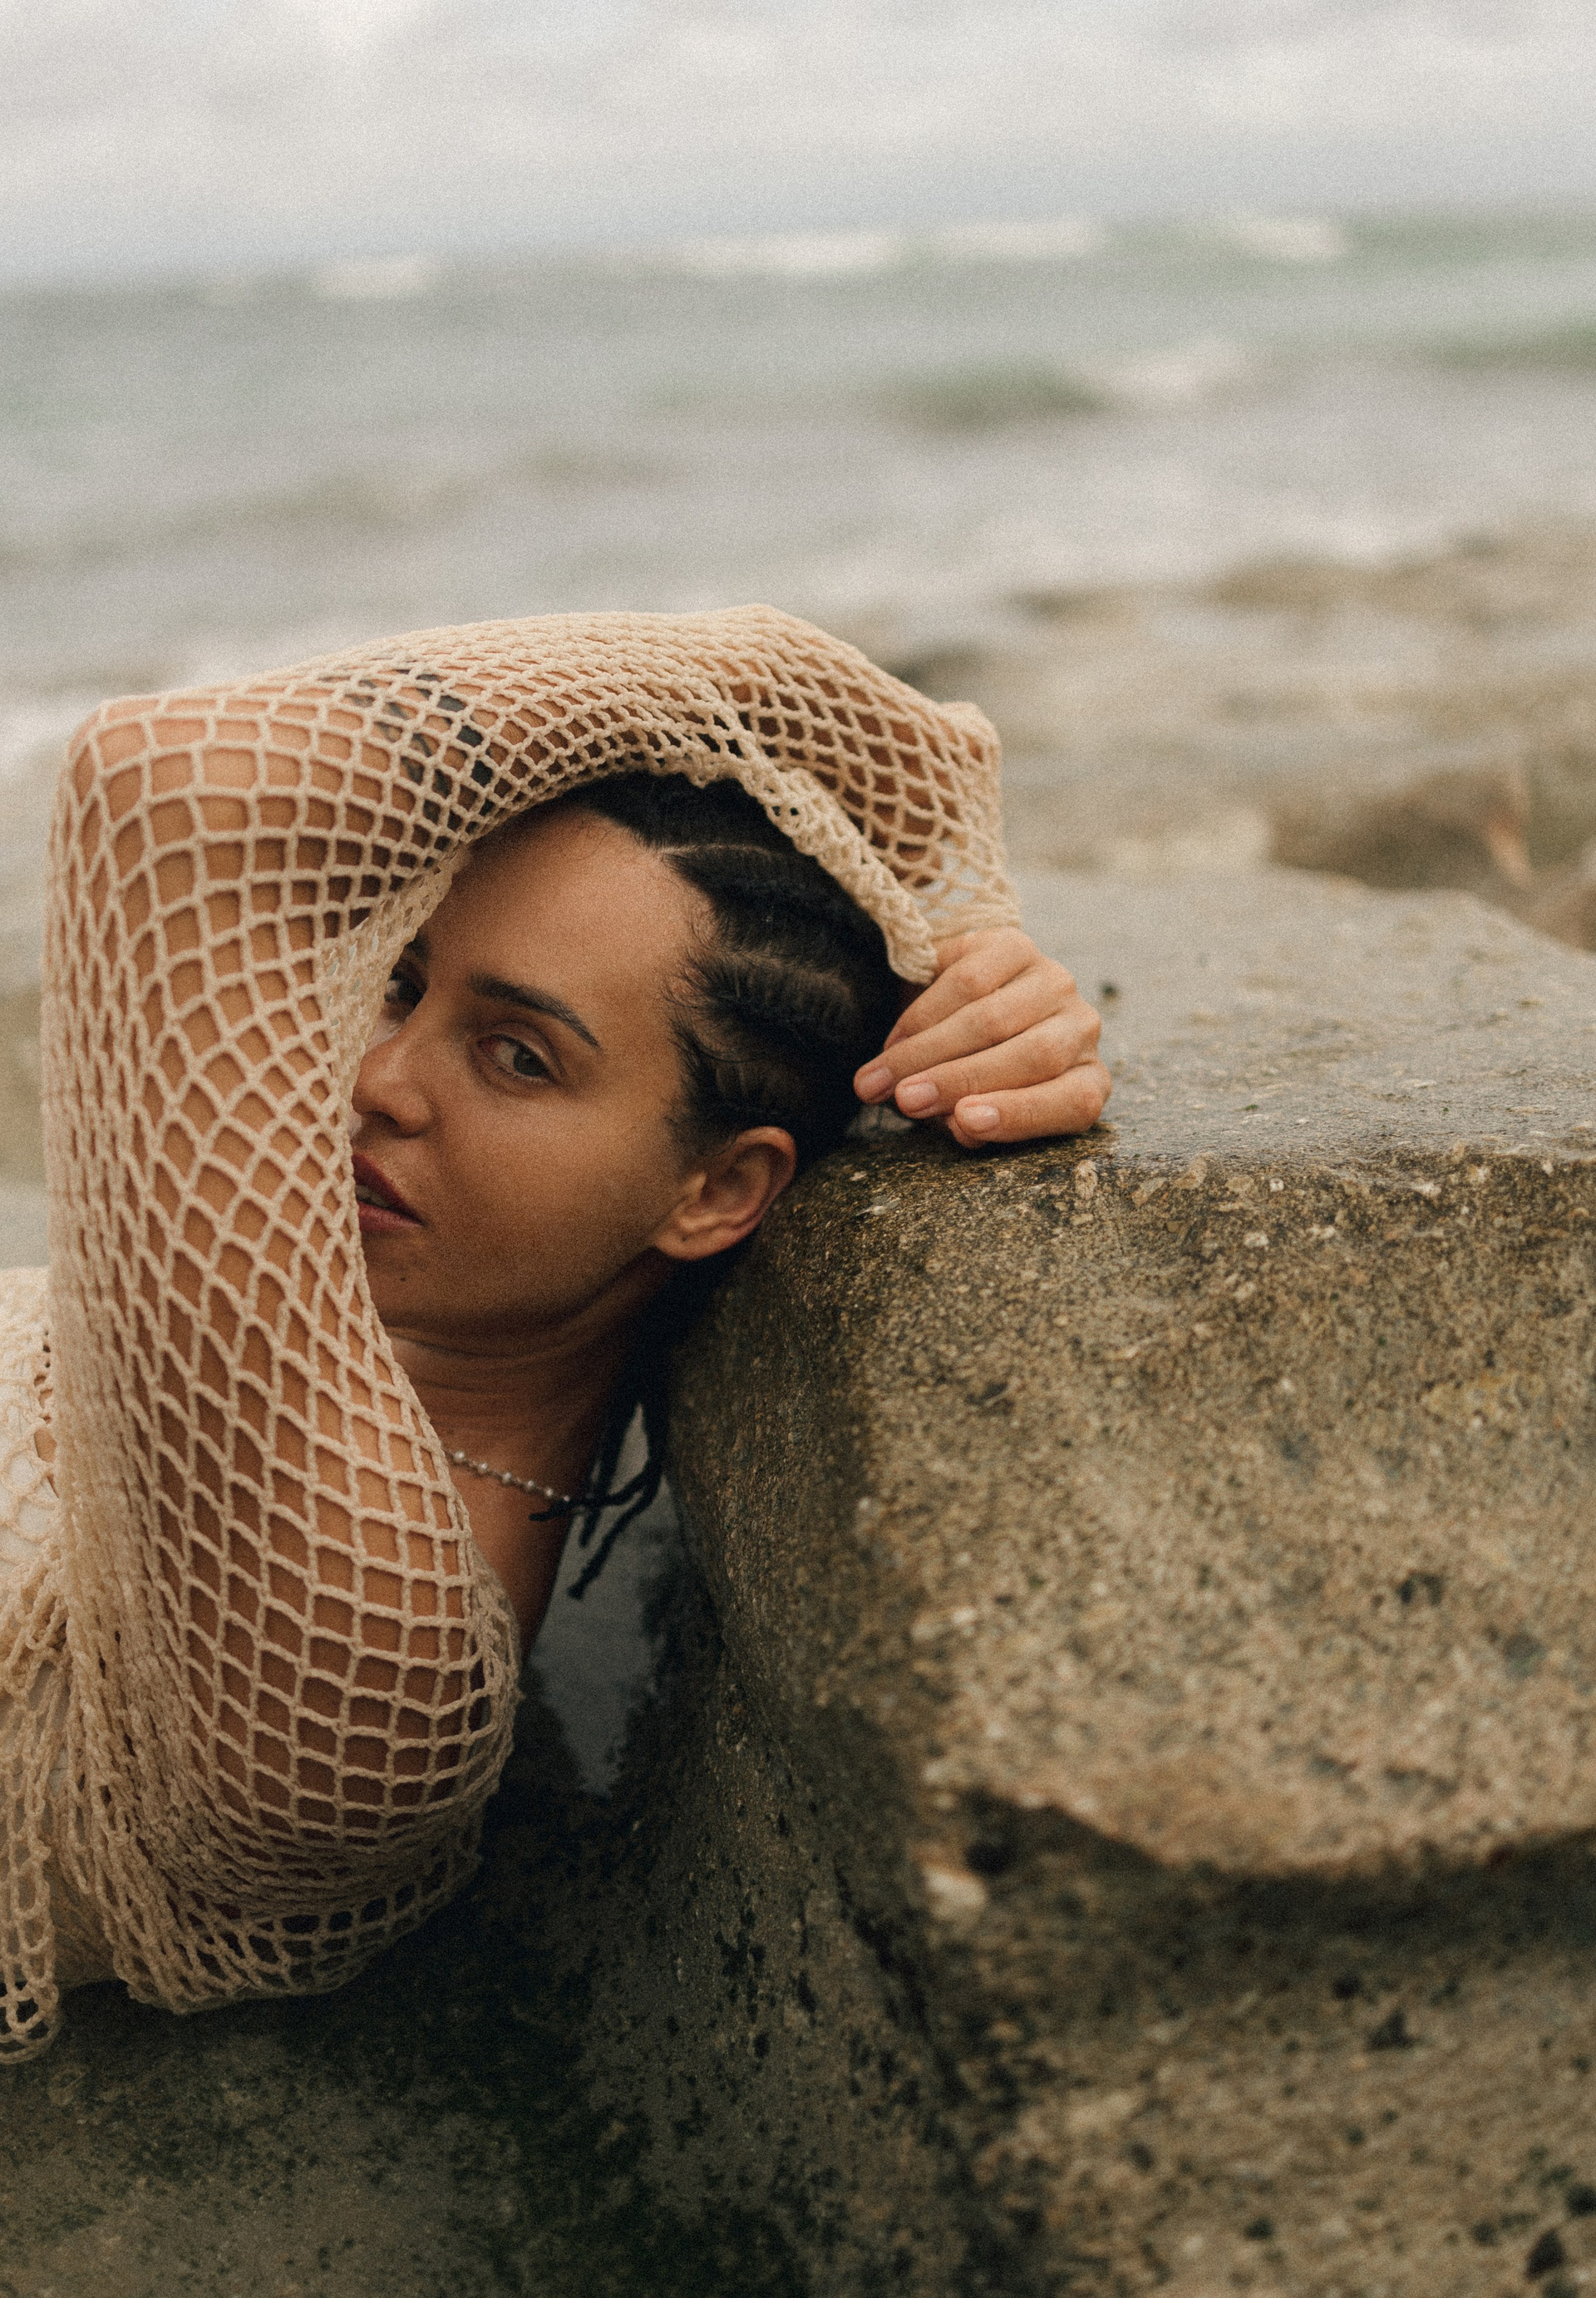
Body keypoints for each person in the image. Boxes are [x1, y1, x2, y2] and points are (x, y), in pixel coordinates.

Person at [0, 607, 1107, 2061]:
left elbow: (166, 782)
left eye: (518, 1055)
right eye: (404, 984)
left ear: (717, 1192)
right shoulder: (306, 1348)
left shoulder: (365, 1623)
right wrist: (961, 924)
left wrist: (837, 721)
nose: (380, 1079)